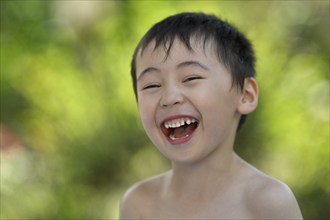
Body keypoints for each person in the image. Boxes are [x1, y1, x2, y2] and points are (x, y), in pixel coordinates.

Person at [120, 12, 303, 219]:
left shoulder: (268, 201)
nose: (169, 97)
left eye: (191, 78)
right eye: (152, 85)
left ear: (245, 95)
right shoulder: (138, 203)